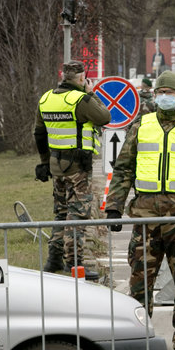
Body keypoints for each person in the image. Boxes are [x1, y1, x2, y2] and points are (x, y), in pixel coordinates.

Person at [104, 71, 175, 350]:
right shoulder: (142, 125)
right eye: (159, 91)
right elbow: (123, 169)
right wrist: (113, 207)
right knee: (140, 287)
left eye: (169, 92)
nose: (163, 96)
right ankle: (138, 345)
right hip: (146, 220)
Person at [33, 60, 111, 281]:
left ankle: (54, 259)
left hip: (57, 166)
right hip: (78, 167)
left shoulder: (46, 98)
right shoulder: (81, 100)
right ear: (80, 79)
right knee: (77, 214)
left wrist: (44, 162)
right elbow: (104, 117)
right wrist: (92, 93)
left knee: (61, 212)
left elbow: (39, 133)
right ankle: (74, 263)